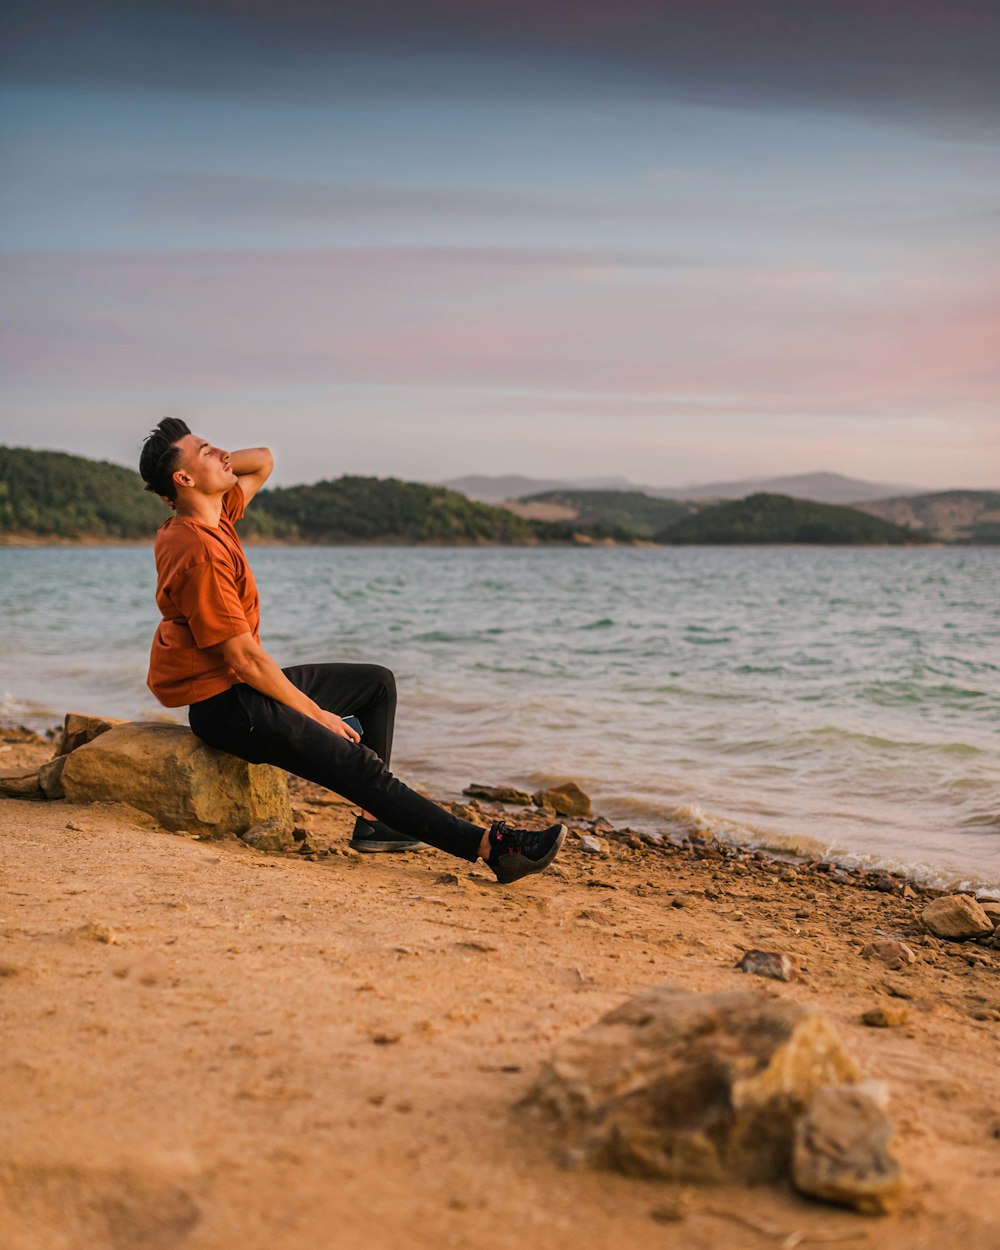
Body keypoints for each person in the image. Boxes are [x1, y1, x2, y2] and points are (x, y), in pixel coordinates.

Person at [139, 418, 564, 884]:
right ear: (184, 479)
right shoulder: (198, 550)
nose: (222, 452)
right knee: (353, 759)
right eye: (205, 451)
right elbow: (243, 657)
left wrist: (210, 463)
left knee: (375, 684)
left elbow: (262, 459)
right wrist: (316, 714)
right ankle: (490, 848)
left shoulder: (211, 516)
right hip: (227, 707)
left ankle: (379, 823)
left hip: (238, 685)